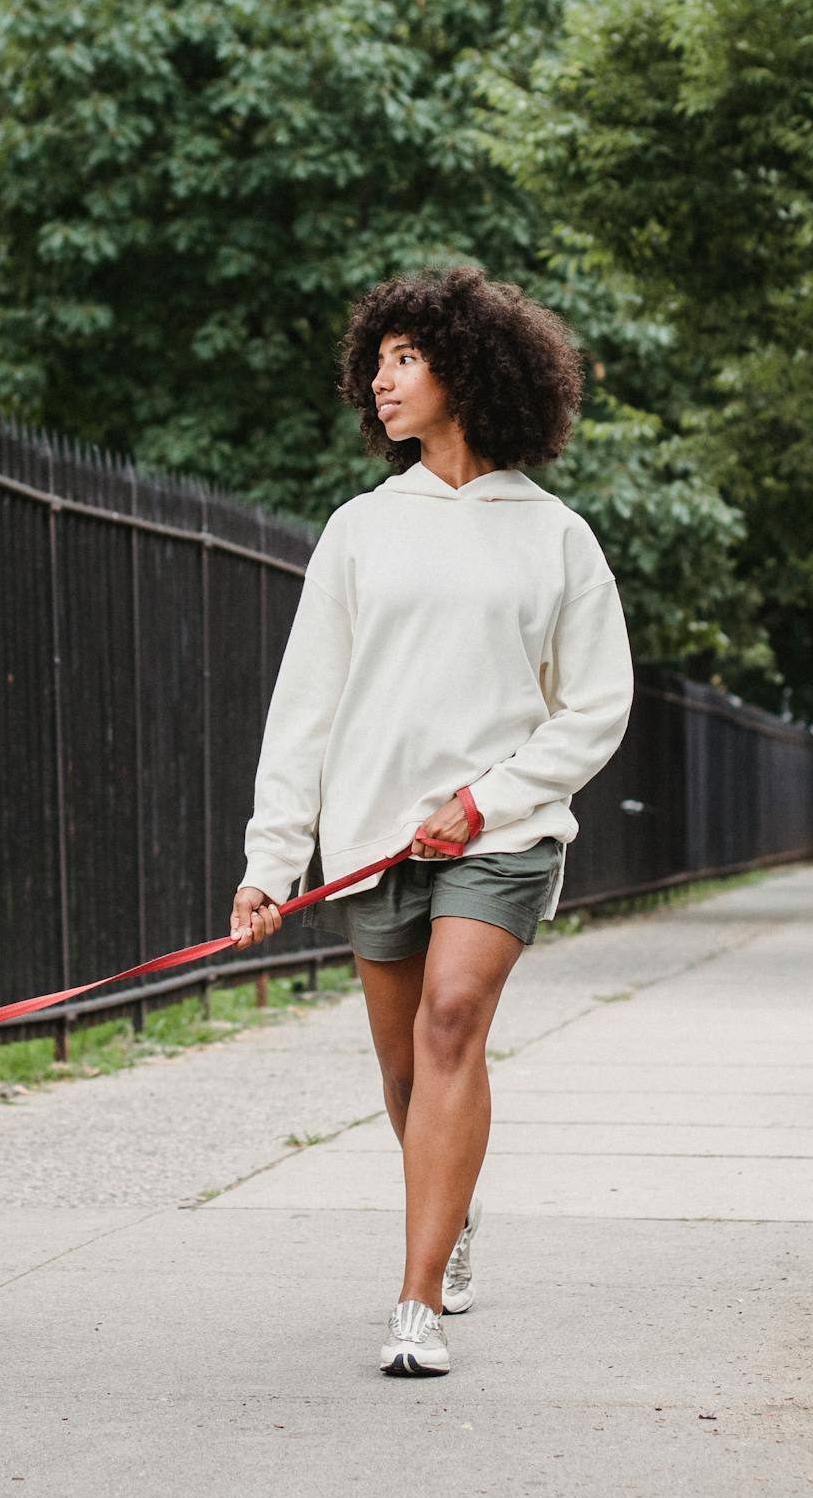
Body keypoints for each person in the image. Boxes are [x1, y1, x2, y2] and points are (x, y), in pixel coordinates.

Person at [230, 268, 634, 1378]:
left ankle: (416, 1307)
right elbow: (303, 706)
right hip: (372, 841)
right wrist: (271, 861)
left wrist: (486, 801)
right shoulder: (362, 529)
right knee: (405, 1064)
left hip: (499, 839)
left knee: (452, 1021)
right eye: (377, 362)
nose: (381, 379)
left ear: (468, 368)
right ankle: (449, 1219)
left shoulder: (555, 537)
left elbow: (596, 705)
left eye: (405, 357)